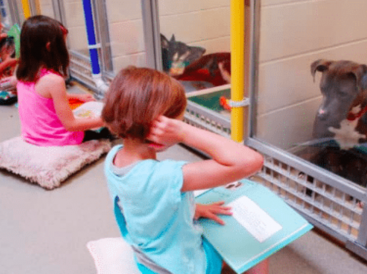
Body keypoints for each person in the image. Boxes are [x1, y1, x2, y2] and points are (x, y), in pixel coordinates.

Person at [101, 66, 269, 274]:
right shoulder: (168, 176)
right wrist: (184, 132)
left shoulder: (114, 157)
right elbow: (250, 161)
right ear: (162, 128)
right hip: (183, 267)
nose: (182, 124)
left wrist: (194, 208)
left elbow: (143, 205)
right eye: (180, 121)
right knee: (257, 250)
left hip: (147, 262)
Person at [16, 15, 109, 146]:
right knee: (107, 129)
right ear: (49, 47)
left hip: (32, 135)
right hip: (56, 139)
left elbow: (43, 98)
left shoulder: (23, 72)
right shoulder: (54, 81)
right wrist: (107, 120)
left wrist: (77, 97)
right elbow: (71, 125)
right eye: (63, 44)